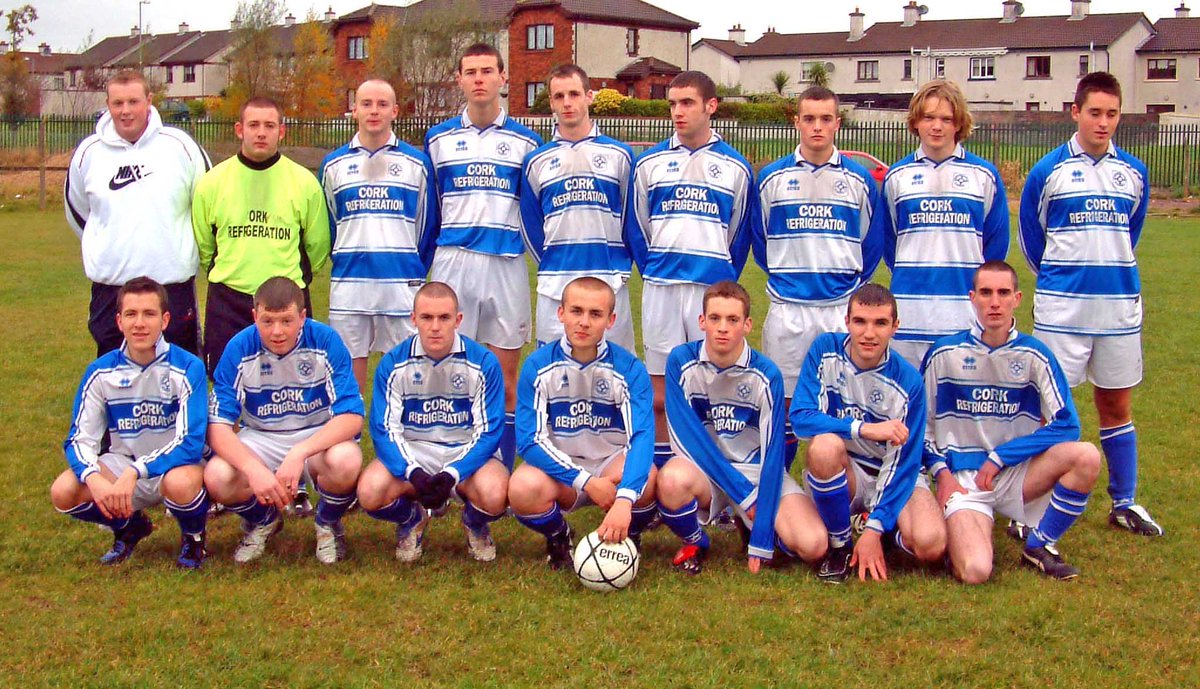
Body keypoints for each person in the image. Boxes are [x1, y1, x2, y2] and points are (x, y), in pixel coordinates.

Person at [1019, 71, 1162, 538]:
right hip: (1063, 314)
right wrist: (1066, 281)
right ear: (1075, 112)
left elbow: (1130, 234)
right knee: (1047, 410)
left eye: (1112, 114)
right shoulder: (1048, 171)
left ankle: (1125, 502)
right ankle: (1031, 505)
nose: (1103, 123)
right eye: (1094, 113)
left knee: (1116, 405)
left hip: (1118, 312)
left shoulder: (1134, 172)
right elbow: (1032, 242)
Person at [924, 261, 1100, 581]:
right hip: (964, 481)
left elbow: (1068, 424)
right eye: (986, 293)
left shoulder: (1036, 354)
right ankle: (956, 530)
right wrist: (942, 473)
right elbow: (922, 428)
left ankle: (1039, 546)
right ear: (972, 297)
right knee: (976, 571)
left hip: (1016, 473)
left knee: (1086, 456)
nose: (994, 302)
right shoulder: (943, 353)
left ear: (1017, 298)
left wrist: (1002, 455)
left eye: (1003, 293)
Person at [627, 70, 756, 469]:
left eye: (687, 103)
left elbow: (739, 234)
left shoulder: (735, 166)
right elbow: (636, 225)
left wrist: (720, 277)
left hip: (709, 293)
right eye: (672, 104)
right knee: (662, 391)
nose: (677, 112)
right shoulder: (649, 163)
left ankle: (713, 475)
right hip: (662, 288)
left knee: (713, 387)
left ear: (710, 106)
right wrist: (655, 267)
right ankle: (666, 480)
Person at [425, 43, 544, 470]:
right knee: (451, 370)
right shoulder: (438, 139)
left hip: (505, 263)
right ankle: (449, 462)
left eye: (487, 71)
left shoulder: (527, 141)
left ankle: (503, 469)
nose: (479, 79)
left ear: (502, 78)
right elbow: (432, 208)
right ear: (458, 79)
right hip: (453, 261)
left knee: (504, 375)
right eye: (470, 71)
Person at [659, 281, 827, 575]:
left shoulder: (766, 374)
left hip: (756, 473)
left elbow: (774, 453)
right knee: (672, 480)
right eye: (715, 318)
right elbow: (689, 439)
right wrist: (744, 497)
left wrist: (762, 533)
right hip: (707, 471)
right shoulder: (681, 362)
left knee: (813, 544)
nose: (722, 328)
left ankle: (755, 530)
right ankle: (697, 542)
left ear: (747, 324)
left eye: (733, 320)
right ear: (702, 322)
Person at [51, 277, 210, 568]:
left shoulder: (188, 367)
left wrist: (137, 471)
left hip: (173, 467)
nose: (139, 323)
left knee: (181, 484)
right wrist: (92, 476)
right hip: (124, 464)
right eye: (131, 314)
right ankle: (128, 526)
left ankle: (194, 536)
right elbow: (79, 439)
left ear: (165, 320)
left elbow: (190, 443)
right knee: (64, 491)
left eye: (149, 314)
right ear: (119, 321)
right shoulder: (100, 372)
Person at [790, 284, 944, 583]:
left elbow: (904, 464)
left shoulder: (909, 381)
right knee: (823, 448)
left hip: (894, 472)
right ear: (847, 321)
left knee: (931, 544)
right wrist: (863, 429)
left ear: (895, 327)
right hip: (847, 473)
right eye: (860, 321)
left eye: (880, 323)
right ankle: (840, 546)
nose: (869, 334)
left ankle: (884, 531)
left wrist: (875, 528)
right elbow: (801, 419)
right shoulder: (824, 351)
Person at [203, 277, 363, 564]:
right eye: (267, 321)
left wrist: (299, 452)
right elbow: (218, 428)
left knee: (346, 460)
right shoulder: (239, 347)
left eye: (287, 321)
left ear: (302, 317)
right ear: (255, 317)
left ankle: (327, 523)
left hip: (316, 434)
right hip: (262, 435)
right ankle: (263, 520)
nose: (277, 331)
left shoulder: (325, 340)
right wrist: (253, 469)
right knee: (217, 476)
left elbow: (351, 417)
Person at [509, 277, 657, 569]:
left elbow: (641, 436)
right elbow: (529, 440)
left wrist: (625, 500)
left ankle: (629, 532)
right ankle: (559, 536)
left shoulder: (629, 368)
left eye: (595, 314)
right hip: (563, 472)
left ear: (611, 320)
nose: (584, 322)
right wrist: (586, 482)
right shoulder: (538, 365)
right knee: (521, 488)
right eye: (576, 311)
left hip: (610, 466)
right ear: (561, 313)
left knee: (648, 477)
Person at [65, 70, 210, 357]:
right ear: (108, 104)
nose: (126, 111)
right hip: (112, 289)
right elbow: (79, 212)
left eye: (133, 101)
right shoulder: (88, 153)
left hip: (172, 286)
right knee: (115, 378)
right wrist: (108, 242)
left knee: (179, 374)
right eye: (117, 103)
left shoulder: (181, 147)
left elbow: (207, 206)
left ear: (149, 101)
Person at [360, 282, 509, 562]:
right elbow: (384, 431)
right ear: (413, 319)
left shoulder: (484, 362)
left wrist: (452, 473)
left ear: (459, 320)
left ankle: (474, 523)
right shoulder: (393, 364)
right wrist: (413, 472)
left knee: (496, 493)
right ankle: (411, 519)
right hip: (416, 450)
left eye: (444, 318)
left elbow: (488, 433)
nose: (435, 327)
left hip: (464, 451)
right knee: (370, 492)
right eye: (426, 318)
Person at [752, 85, 884, 395]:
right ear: (796, 121)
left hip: (839, 308)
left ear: (838, 123)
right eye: (809, 118)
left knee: (841, 400)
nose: (817, 127)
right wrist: (786, 276)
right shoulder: (772, 178)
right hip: (788, 308)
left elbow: (872, 245)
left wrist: (845, 282)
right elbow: (761, 242)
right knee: (781, 400)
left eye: (826, 119)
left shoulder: (859, 180)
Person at [191, 96, 331, 376]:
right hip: (228, 300)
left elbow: (317, 246)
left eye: (269, 125)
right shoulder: (212, 182)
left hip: (286, 301)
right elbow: (205, 245)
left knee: (293, 384)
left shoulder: (304, 182)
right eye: (253, 124)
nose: (261, 132)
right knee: (226, 386)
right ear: (239, 129)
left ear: (281, 131)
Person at [320, 78, 439, 395]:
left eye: (382, 104)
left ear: (395, 111)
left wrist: (411, 268)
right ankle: (350, 441)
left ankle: (399, 437)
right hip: (350, 286)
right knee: (348, 376)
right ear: (354, 109)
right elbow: (332, 225)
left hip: (399, 286)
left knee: (404, 374)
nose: (374, 111)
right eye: (367, 104)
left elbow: (427, 228)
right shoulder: (334, 165)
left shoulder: (416, 164)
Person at [880, 79, 1009, 368]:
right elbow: (890, 245)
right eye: (928, 117)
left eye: (946, 119)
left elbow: (995, 248)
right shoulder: (897, 177)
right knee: (910, 406)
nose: (936, 126)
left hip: (963, 316)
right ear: (916, 121)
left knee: (961, 406)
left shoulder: (983, 175)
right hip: (910, 315)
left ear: (958, 123)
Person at [519, 64, 636, 350]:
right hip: (555, 286)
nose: (567, 103)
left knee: (615, 374)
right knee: (554, 374)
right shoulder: (537, 161)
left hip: (609, 281)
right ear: (551, 103)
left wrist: (620, 264)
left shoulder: (620, 155)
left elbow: (632, 220)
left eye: (574, 93)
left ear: (590, 96)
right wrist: (552, 260)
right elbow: (532, 225)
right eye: (559, 96)